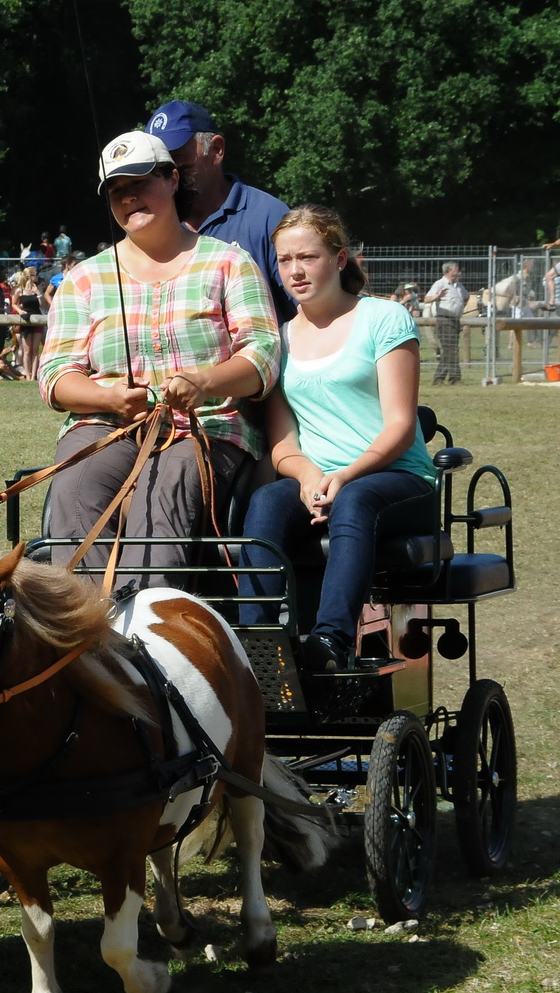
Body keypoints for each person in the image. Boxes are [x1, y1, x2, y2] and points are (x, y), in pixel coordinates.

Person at [40, 130, 279, 586]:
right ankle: (92, 639)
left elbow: (263, 354)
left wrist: (205, 383)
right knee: (74, 491)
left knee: (162, 491)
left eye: (140, 182)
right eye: (116, 191)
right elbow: (54, 375)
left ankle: (146, 638)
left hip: (205, 427)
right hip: (105, 426)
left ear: (172, 180)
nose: (129, 198)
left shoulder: (229, 263)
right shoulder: (84, 279)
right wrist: (106, 397)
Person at [237, 204, 434, 670]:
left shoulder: (384, 318)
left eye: (307, 257)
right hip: (320, 481)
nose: (295, 270)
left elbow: (401, 427)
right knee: (266, 502)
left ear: (340, 259)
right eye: (285, 260)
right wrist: (308, 476)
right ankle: (257, 647)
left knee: (356, 499)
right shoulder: (279, 340)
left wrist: (343, 476)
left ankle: (331, 644)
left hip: (397, 479)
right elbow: (283, 443)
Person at [146, 99, 294, 319]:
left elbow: (312, 310)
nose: (170, 171)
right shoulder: (151, 227)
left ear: (216, 149)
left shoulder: (268, 218)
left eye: (177, 157)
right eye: (159, 162)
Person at [422, 263, 467, 384]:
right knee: (451, 349)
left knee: (450, 350)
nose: (459, 271)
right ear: (449, 271)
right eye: (456, 269)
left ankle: (439, 378)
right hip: (444, 319)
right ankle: (455, 378)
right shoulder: (440, 284)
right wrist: (438, 296)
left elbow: (466, 297)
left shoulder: (459, 285)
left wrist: (460, 308)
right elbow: (427, 299)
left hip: (455, 320)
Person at [12, 266, 45, 379]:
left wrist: (38, 293)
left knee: (35, 350)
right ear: (29, 276)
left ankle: (34, 375)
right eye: (34, 274)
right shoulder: (20, 290)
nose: (36, 276)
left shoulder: (37, 288)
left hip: (37, 319)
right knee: (27, 350)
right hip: (26, 321)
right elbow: (14, 303)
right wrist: (20, 311)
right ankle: (27, 374)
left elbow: (42, 305)